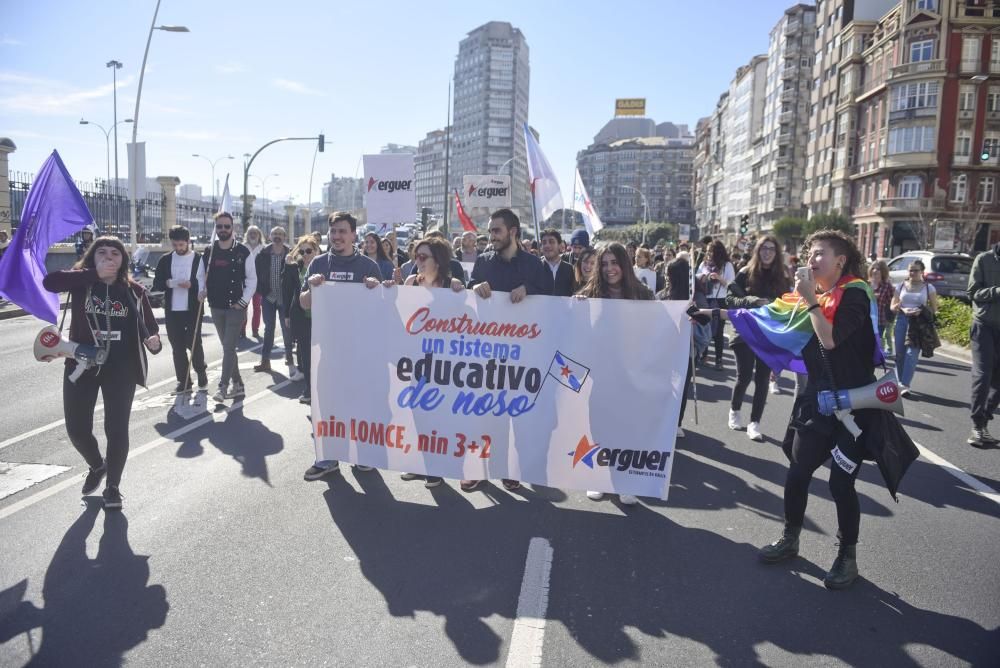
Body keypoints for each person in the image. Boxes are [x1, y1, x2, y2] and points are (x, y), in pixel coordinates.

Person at [758, 230, 889, 590]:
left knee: (840, 483)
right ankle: (790, 537)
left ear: (840, 261)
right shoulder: (813, 296)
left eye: (818, 255)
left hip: (853, 408)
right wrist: (709, 311)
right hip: (817, 403)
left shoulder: (856, 295)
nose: (810, 261)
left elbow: (830, 338)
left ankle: (847, 556)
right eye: (809, 254)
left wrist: (809, 300)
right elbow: (763, 312)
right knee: (798, 473)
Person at [42, 236, 161, 510]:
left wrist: (153, 341)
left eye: (115, 254)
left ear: (123, 260)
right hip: (81, 364)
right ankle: (97, 466)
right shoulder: (82, 281)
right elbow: (50, 282)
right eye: (102, 253)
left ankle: (113, 487)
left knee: (116, 429)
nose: (109, 258)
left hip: (121, 368)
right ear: (92, 257)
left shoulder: (134, 291)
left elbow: (149, 329)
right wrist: (93, 274)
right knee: (77, 430)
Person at [462, 208, 549, 492]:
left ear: (512, 232)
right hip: (486, 355)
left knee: (518, 418)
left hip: (523, 357)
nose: (491, 237)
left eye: (496, 231)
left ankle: (511, 468)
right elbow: (467, 293)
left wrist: (528, 289)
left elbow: (553, 303)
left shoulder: (535, 266)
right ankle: (479, 469)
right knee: (484, 415)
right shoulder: (484, 262)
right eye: (490, 231)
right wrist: (475, 286)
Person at [300, 212, 384, 481]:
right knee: (327, 404)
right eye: (333, 231)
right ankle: (327, 458)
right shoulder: (317, 264)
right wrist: (311, 289)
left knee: (359, 402)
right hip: (327, 348)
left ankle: (362, 455)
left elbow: (382, 307)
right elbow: (303, 303)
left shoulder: (368, 267)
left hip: (360, 349)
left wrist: (375, 288)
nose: (336, 236)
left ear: (353, 235)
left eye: (342, 232)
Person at [577, 242, 653, 506]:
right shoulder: (590, 294)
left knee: (627, 429)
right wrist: (578, 309)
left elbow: (659, 327)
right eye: (605, 263)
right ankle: (597, 477)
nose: (610, 269)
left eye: (615, 262)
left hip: (632, 375)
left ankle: (624, 479)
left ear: (624, 264)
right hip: (600, 375)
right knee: (599, 427)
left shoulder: (642, 294)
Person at [389, 236, 464, 488]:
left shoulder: (451, 286)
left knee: (437, 416)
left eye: (423, 257)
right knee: (415, 414)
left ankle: (435, 467)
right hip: (413, 361)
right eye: (415, 257)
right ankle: (419, 464)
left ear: (438, 260)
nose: (417, 262)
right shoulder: (411, 281)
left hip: (442, 364)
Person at [725, 236, 790, 442]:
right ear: (758, 251)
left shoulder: (782, 276)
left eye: (771, 249)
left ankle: (755, 423)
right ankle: (735, 410)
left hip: (768, 334)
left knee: (762, 379)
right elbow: (730, 298)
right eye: (764, 248)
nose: (767, 252)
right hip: (745, 331)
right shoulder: (745, 272)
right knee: (743, 377)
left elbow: (788, 304)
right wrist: (751, 301)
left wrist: (774, 305)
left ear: (776, 253)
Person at [200, 212, 257, 403]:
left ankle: (222, 387)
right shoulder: (209, 251)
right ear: (215, 228)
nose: (223, 230)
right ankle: (238, 384)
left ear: (233, 228)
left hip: (235, 308)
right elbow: (202, 276)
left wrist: (243, 301)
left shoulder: (243, 251)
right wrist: (202, 290)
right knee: (228, 348)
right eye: (219, 226)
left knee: (228, 348)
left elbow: (252, 280)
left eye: (227, 226)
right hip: (215, 307)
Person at [152, 225, 208, 393]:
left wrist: (192, 285)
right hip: (172, 310)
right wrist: (168, 283)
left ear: (188, 242)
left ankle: (201, 371)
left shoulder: (199, 259)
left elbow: (205, 282)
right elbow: (157, 283)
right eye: (175, 245)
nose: (178, 248)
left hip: (193, 309)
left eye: (181, 245)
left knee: (194, 343)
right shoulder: (165, 260)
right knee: (177, 347)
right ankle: (183, 381)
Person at [253, 226, 298, 377]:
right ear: (269, 236)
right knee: (268, 329)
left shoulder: (291, 253)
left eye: (280, 234)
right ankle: (265, 360)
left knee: (287, 330)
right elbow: (256, 274)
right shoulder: (263, 254)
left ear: (284, 237)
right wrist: (262, 291)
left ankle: (290, 359)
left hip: (285, 299)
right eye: (274, 234)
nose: (277, 236)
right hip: (268, 298)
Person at [967, 242, 1000, 447]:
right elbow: (972, 292)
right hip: (984, 326)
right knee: (984, 374)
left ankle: (984, 420)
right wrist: (997, 291)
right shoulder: (984, 259)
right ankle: (977, 426)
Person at [282, 235, 321, 404]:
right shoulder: (294, 268)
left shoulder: (324, 267)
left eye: (309, 251)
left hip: (322, 319)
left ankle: (321, 388)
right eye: (302, 251)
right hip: (302, 318)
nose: (305, 254)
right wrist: (287, 315)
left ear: (316, 250)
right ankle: (309, 389)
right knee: (305, 357)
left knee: (320, 358)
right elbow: (288, 291)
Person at [890, 259, 938, 396]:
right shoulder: (901, 286)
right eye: (910, 270)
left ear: (922, 272)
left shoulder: (929, 288)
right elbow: (892, 306)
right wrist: (902, 309)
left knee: (911, 354)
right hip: (902, 320)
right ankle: (900, 382)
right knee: (900, 354)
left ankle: (905, 385)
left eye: (915, 270)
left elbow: (935, 309)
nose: (912, 273)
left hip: (918, 323)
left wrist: (921, 311)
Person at [696, 240, 736, 370]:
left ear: (718, 252)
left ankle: (719, 360)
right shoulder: (703, 264)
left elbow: (731, 285)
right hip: (706, 299)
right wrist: (703, 277)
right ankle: (704, 356)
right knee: (705, 326)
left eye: (710, 251)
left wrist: (719, 278)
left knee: (718, 331)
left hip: (720, 300)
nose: (708, 253)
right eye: (707, 251)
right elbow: (697, 278)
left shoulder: (727, 265)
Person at [868, 260, 895, 357]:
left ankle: (876, 359)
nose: (875, 271)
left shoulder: (887, 286)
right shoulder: (866, 284)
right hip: (865, 319)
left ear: (883, 271)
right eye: (873, 268)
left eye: (878, 269)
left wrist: (891, 318)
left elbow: (893, 301)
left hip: (879, 319)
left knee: (877, 340)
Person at [242, 225, 264, 338]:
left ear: (259, 235)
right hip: (245, 283)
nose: (253, 235)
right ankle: (242, 330)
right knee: (243, 306)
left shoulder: (263, 248)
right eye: (251, 232)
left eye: (255, 232)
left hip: (258, 284)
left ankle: (255, 329)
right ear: (247, 234)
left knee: (257, 308)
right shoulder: (242, 247)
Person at [539, 228, 575, 297]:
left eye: (551, 242)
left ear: (559, 245)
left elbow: (574, 291)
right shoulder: (535, 268)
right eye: (544, 243)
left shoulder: (570, 269)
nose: (547, 245)